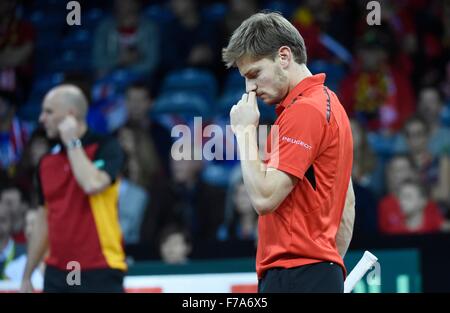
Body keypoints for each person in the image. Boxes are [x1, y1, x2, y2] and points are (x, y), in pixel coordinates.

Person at [222, 12, 355, 293]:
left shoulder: (304, 111)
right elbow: (346, 206)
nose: (251, 89)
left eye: (255, 74)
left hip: (294, 274)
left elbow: (264, 197)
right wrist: (327, 268)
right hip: (315, 272)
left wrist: (246, 132)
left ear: (284, 57)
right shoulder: (332, 105)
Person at [20, 85, 127, 293]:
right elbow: (44, 218)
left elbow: (91, 184)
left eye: (49, 111)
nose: (42, 118)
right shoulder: (46, 162)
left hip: (100, 268)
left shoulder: (106, 147)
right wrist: (27, 275)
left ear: (71, 114)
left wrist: (72, 142)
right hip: (61, 271)